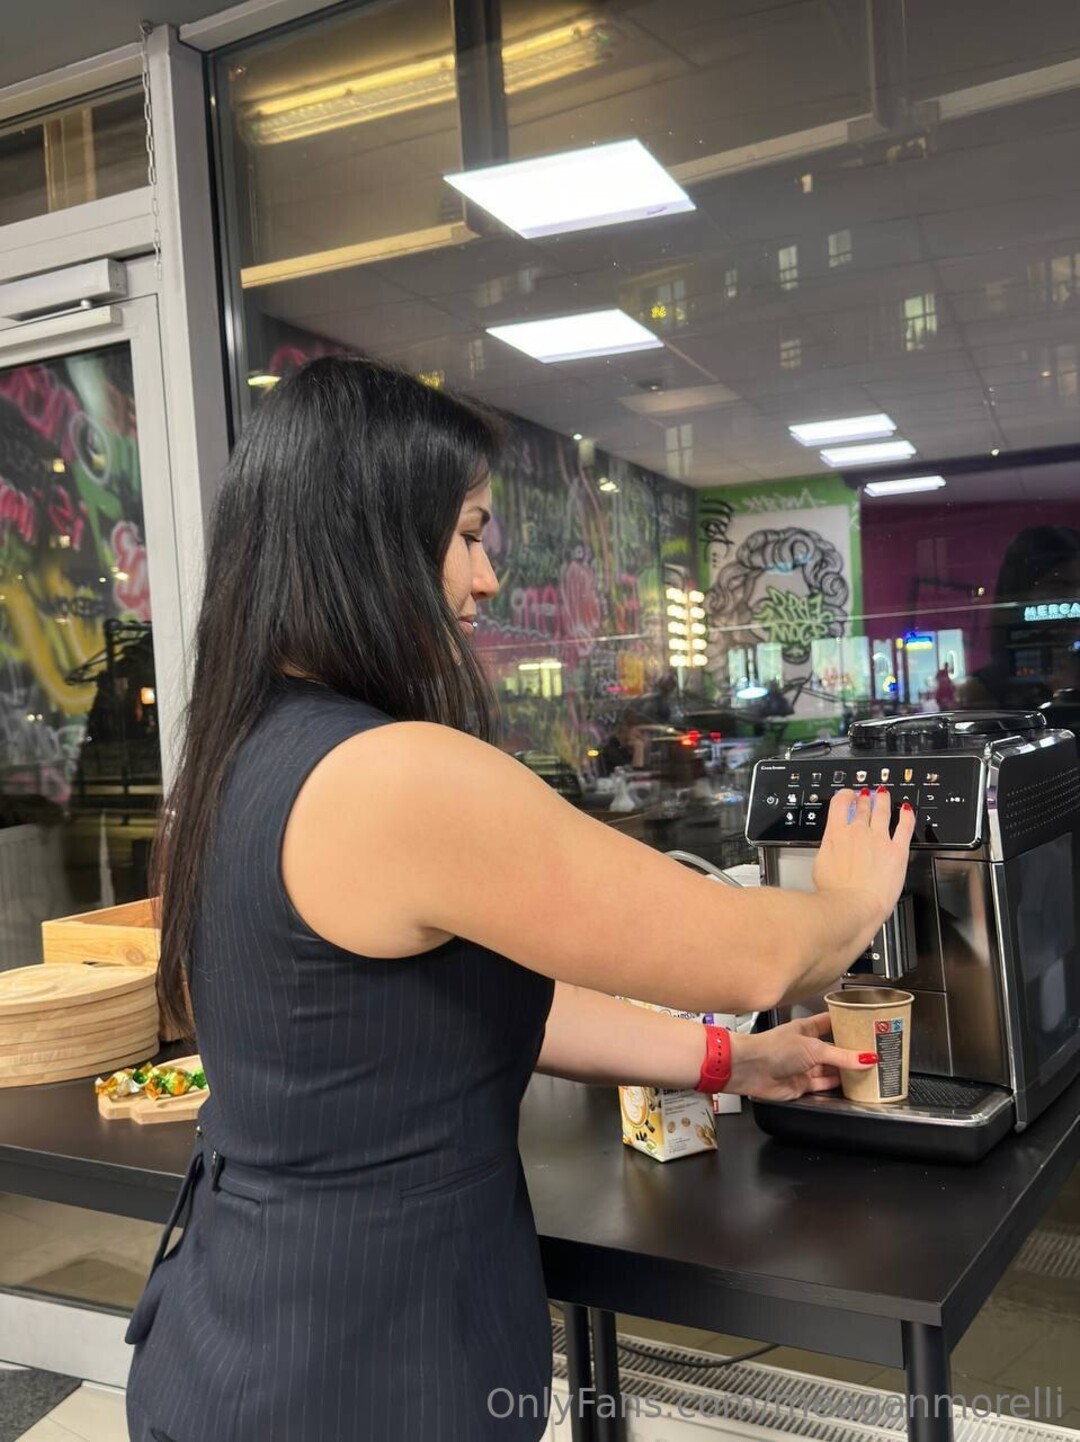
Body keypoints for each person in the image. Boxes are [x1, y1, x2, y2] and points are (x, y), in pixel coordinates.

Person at [125, 358, 914, 1442]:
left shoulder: (242, 753)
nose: (487, 578)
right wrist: (850, 902)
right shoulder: (395, 775)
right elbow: (754, 959)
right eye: (467, 534)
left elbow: (472, 1007)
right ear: (370, 536)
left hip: (234, 1337)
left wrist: (734, 1061)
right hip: (361, 1375)